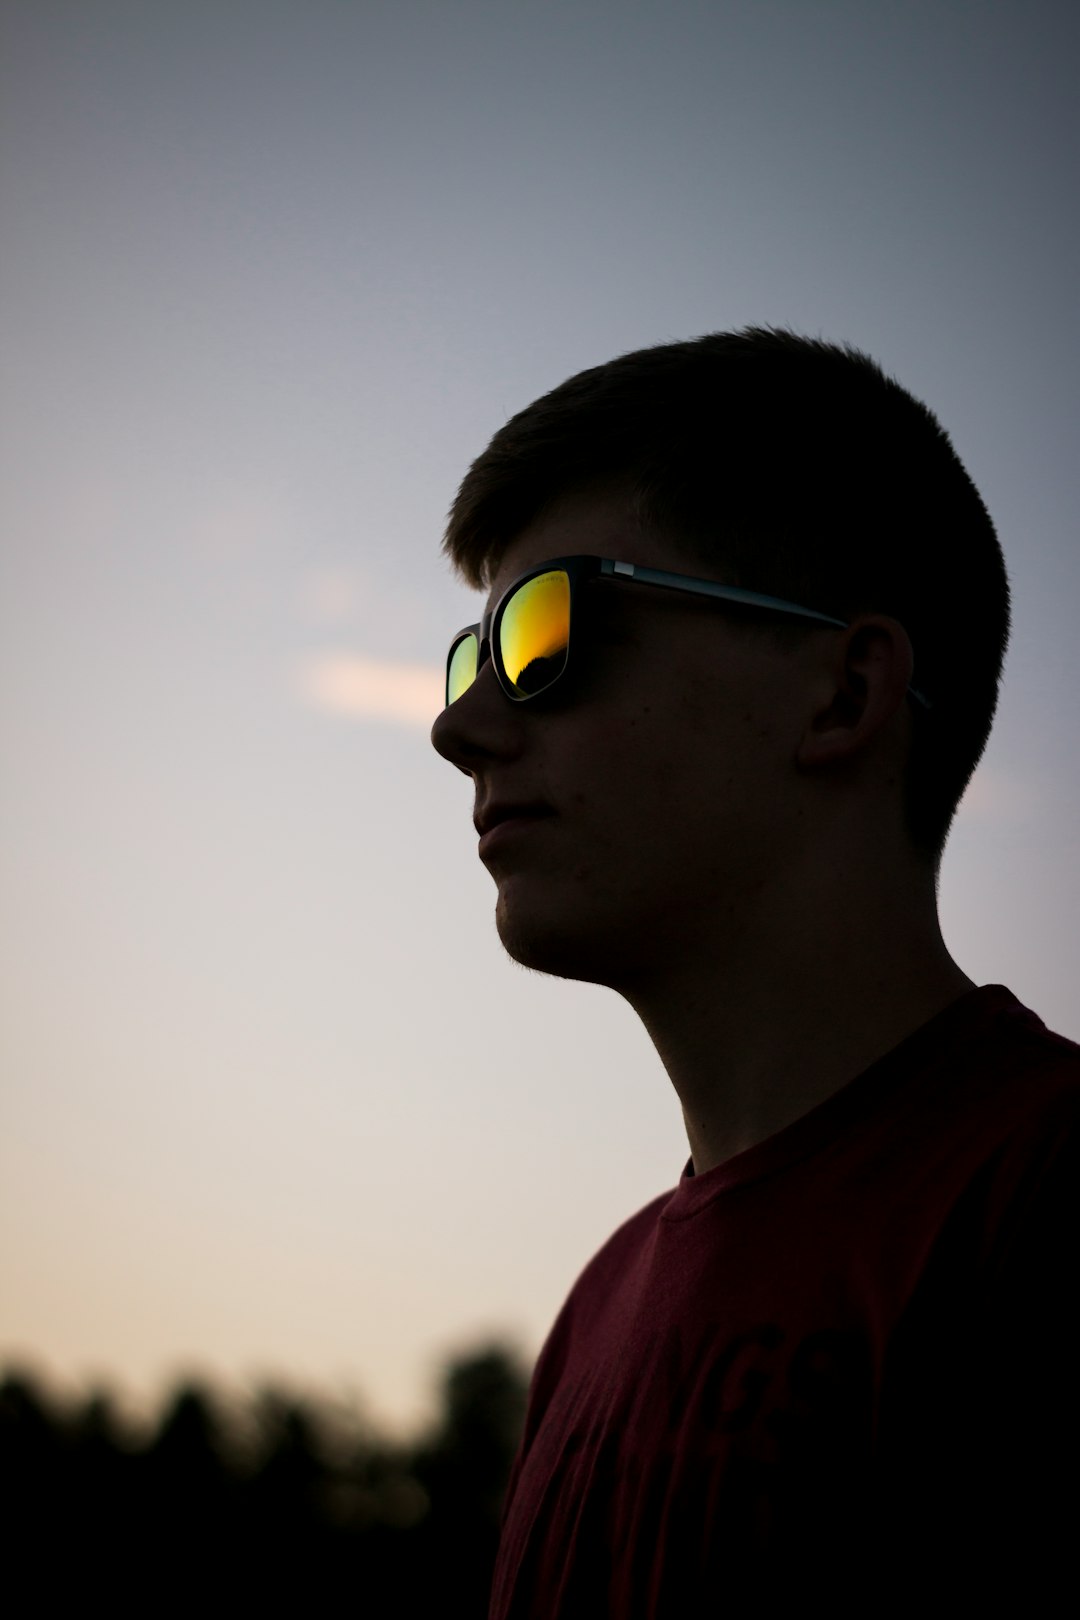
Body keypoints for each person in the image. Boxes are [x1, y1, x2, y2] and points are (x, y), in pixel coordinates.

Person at [429, 328, 1079, 1614]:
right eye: (472, 653)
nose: (462, 726)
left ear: (842, 693)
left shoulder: (1044, 1202)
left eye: (546, 630)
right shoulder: (595, 1314)